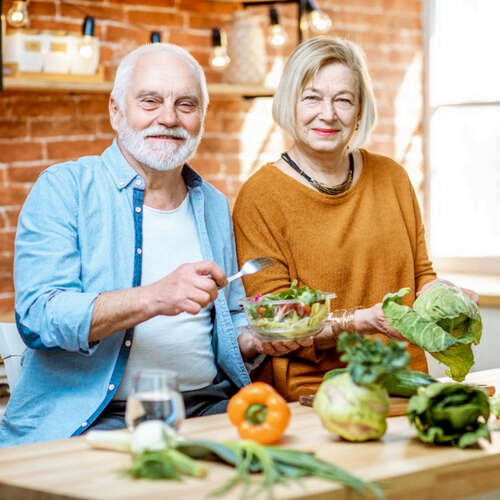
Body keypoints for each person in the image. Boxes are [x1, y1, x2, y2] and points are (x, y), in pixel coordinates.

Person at [0, 43, 254, 447]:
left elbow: (234, 317)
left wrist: (269, 334)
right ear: (116, 111)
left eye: (185, 105)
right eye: (150, 101)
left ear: (202, 117)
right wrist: (154, 297)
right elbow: (38, 316)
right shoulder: (65, 188)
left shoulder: (214, 204)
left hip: (211, 409)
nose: (168, 118)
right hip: (96, 421)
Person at [233, 37, 478, 402]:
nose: (328, 114)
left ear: (360, 110)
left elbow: (420, 275)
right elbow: (279, 327)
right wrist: (360, 322)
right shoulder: (260, 197)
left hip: (404, 386)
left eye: (343, 99)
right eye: (312, 97)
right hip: (316, 397)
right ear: (289, 103)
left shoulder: (392, 177)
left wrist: (443, 296)